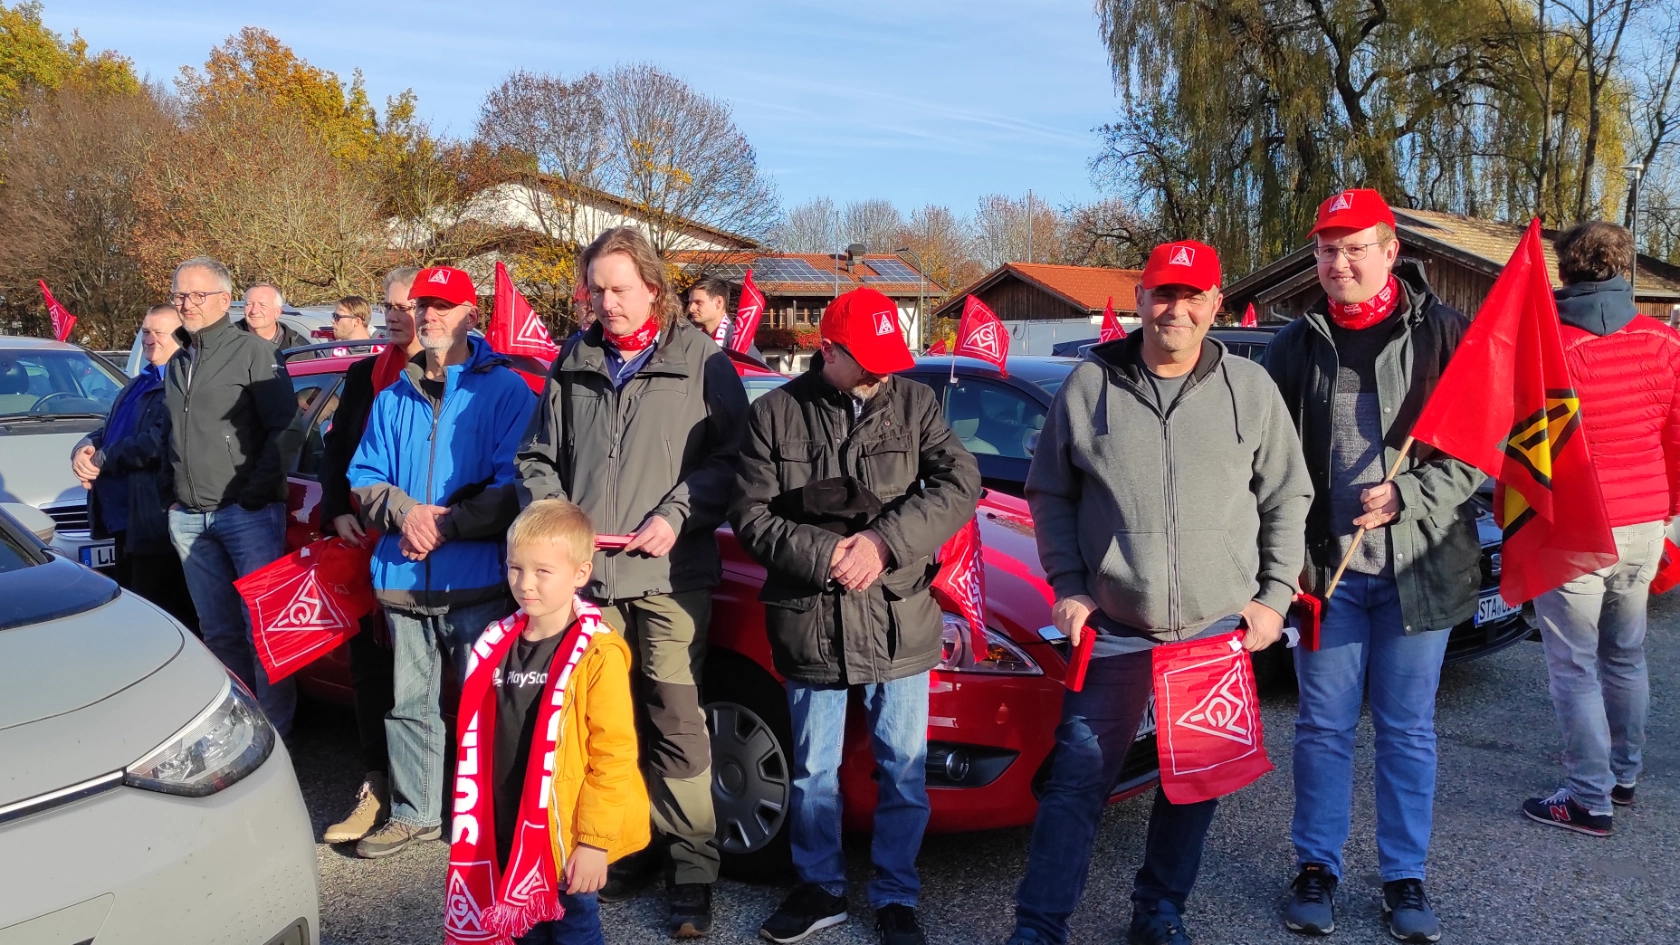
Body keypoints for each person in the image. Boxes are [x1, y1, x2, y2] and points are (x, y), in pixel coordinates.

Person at [1008, 240, 1310, 945]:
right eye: (1162, 294)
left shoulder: (1251, 388)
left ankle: (1159, 909)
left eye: (1191, 296)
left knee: (1192, 783)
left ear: (1215, 305)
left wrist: (1274, 594)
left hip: (1212, 629)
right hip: (1113, 626)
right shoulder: (1090, 385)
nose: (1176, 309)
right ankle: (1039, 922)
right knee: (1077, 778)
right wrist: (1069, 587)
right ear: (1141, 299)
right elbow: (1049, 490)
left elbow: (1288, 493)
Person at [516, 226, 749, 937]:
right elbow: (536, 457)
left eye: (619, 288)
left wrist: (679, 513)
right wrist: (556, 521)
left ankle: (692, 868)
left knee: (677, 723)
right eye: (596, 289)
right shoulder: (573, 358)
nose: (605, 301)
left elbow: (735, 462)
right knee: (603, 726)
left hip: (670, 578)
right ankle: (623, 847)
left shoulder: (705, 363)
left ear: (654, 286)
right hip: (591, 583)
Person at [1263, 190, 1482, 943]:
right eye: (1328, 249)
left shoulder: (1446, 335)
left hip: (1419, 571)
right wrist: (1281, 558)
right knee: (1322, 726)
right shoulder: (1296, 343)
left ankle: (1403, 877)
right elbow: (1269, 461)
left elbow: (1477, 453)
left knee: (1407, 729)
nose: (1339, 262)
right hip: (1329, 575)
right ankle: (1317, 867)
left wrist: (1411, 492)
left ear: (1391, 251)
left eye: (1355, 247)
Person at [732, 286, 981, 945]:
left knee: (903, 765)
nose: (881, 371)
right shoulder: (775, 414)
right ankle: (820, 887)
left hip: (898, 616)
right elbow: (751, 515)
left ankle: (896, 895)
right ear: (828, 350)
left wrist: (884, 542)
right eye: (866, 359)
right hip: (811, 617)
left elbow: (961, 482)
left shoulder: (915, 402)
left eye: (888, 357)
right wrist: (824, 553)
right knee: (814, 768)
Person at [347, 265, 538, 858]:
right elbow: (363, 475)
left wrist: (443, 525)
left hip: (476, 581)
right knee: (409, 708)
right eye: (423, 304)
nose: (429, 315)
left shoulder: (505, 391)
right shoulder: (392, 394)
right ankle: (414, 813)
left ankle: (483, 817)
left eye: (444, 305)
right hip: (404, 580)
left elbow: (514, 484)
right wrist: (407, 514)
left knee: (486, 708)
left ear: (470, 315)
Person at [1519, 221, 1680, 835]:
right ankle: (1624, 774)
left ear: (1566, 272)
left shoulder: (1549, 349)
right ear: (1625, 269)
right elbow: (1677, 438)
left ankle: (1588, 798)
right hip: (1643, 519)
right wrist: (1670, 512)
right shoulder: (1666, 343)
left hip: (1577, 526)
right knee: (1626, 653)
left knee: (1574, 664)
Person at [444, 498, 649, 945]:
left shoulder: (597, 652)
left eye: (542, 571)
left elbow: (613, 755)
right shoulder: (496, 642)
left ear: (580, 573)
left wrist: (594, 844)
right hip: (506, 834)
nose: (525, 583)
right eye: (515, 568)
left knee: (574, 932)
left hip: (564, 843)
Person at [163, 257, 303, 735]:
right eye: (179, 294)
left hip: (246, 515)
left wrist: (251, 494)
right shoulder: (179, 359)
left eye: (197, 295)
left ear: (225, 301)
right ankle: (242, 732)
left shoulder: (251, 352)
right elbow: (172, 433)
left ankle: (276, 735)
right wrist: (174, 496)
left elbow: (287, 428)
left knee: (262, 632)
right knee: (219, 633)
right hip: (190, 516)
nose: (186, 303)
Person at [316, 270, 420, 845]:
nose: (397, 315)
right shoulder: (364, 375)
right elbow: (337, 451)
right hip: (368, 547)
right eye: (390, 306)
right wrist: (336, 507)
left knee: (426, 681)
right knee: (372, 672)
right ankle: (375, 784)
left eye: (408, 305)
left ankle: (430, 793)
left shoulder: (463, 375)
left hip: (438, 548)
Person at [72, 303, 198, 633]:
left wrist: (101, 459)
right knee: (132, 610)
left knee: (161, 617)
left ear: (181, 337)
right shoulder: (138, 383)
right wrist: (85, 447)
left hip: (152, 520)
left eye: (160, 333)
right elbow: (110, 430)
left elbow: (157, 442)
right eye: (145, 332)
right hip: (123, 523)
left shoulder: (180, 383)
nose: (150, 340)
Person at [686, 275, 763, 360]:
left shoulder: (737, 342)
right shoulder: (698, 340)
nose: (691, 308)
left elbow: (761, 372)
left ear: (718, 303)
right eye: (691, 303)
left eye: (698, 302)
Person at [241, 281, 312, 351]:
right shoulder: (231, 341)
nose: (254, 311)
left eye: (262, 305)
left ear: (277, 312)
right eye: (249, 304)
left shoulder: (298, 348)